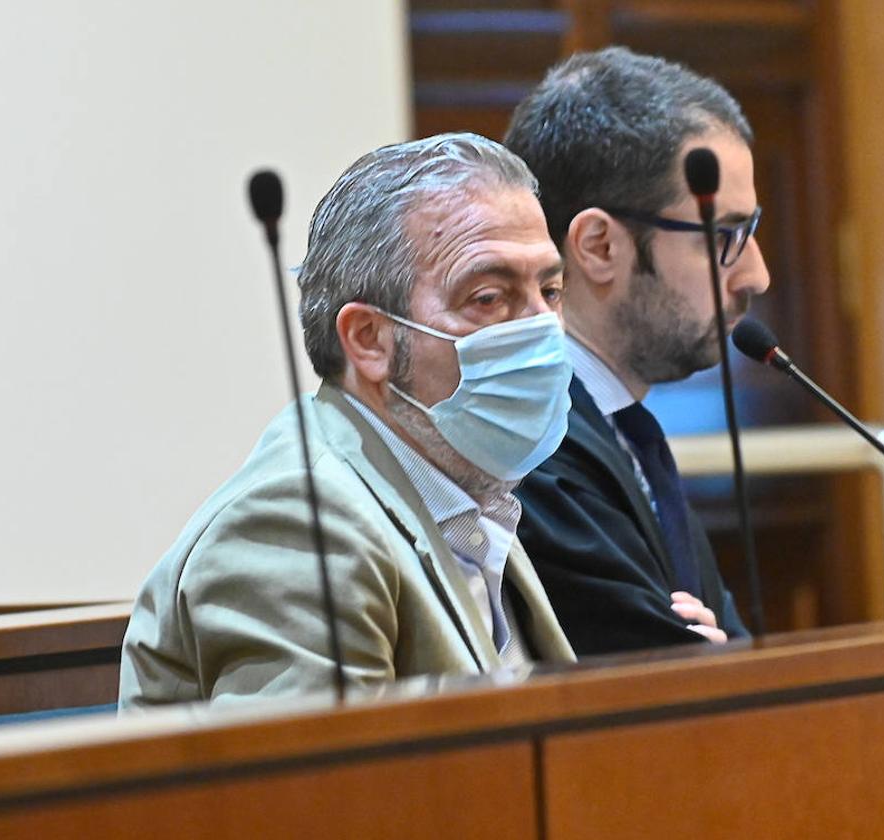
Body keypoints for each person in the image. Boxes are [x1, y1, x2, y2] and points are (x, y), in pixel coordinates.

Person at [120, 133, 576, 708]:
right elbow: (318, 796)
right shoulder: (297, 526)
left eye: (551, 290)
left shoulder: (463, 491)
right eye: (488, 298)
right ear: (369, 340)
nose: (543, 329)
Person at [504, 47, 771, 654]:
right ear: (599, 245)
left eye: (750, 233)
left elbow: (728, 646)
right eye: (723, 236)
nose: (756, 275)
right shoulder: (530, 446)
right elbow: (673, 663)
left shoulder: (627, 431)